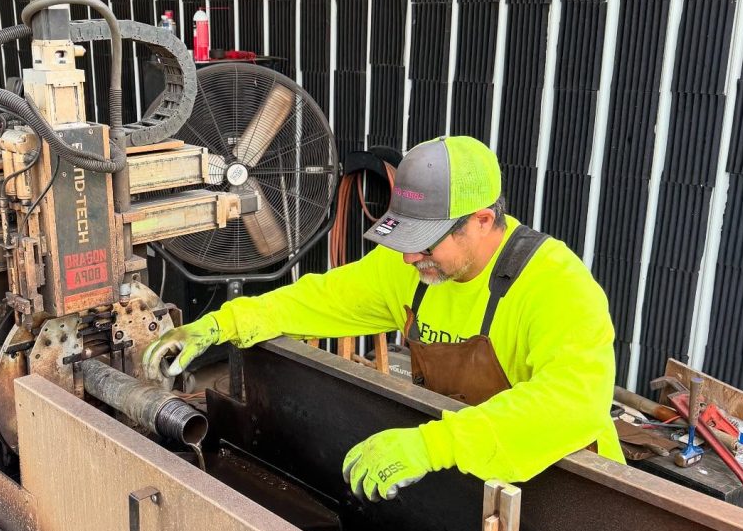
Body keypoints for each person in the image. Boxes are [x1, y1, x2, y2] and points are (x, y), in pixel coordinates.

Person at [144, 136, 623, 501]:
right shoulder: (412, 269)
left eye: (425, 243)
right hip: (475, 474)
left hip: (569, 491)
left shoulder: (556, 286)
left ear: (481, 220)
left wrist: (435, 445)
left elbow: (571, 404)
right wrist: (225, 323)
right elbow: (322, 299)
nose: (411, 257)